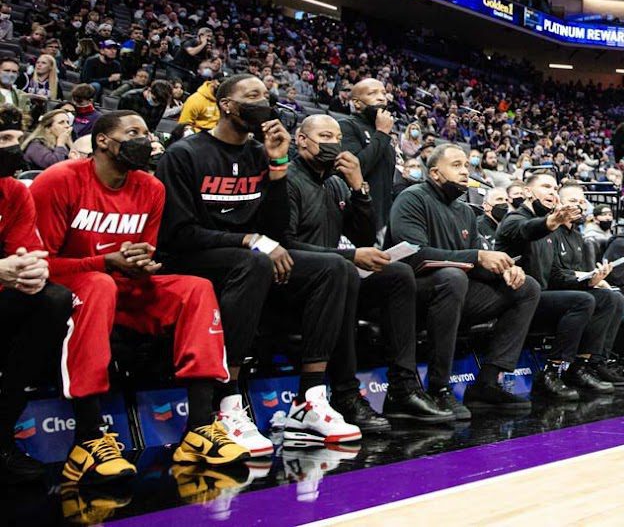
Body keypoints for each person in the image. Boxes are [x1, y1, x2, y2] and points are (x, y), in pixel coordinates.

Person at [30, 111, 250, 482]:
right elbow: (39, 265)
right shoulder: (58, 181)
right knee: (99, 285)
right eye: (133, 132)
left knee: (196, 288)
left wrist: (143, 264)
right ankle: (87, 439)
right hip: (68, 288)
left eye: (147, 133)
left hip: (122, 285)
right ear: (102, 140)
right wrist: (103, 262)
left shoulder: (151, 188)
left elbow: (142, 251)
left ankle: (199, 427)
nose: (144, 140)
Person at [156, 73, 362, 453]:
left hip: (249, 256)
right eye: (252, 95)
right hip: (191, 258)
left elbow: (274, 228)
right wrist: (248, 240)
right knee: (252, 263)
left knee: (336, 269)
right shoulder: (184, 154)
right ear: (226, 105)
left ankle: (309, 399)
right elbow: (177, 233)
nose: (262, 102)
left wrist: (279, 165)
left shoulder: (258, 154)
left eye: (265, 95)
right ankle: (227, 402)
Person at [280, 115, 453, 428]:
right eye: (323, 135)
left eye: (336, 137)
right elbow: (285, 243)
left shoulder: (335, 184)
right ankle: (345, 393)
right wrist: (350, 256)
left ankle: (403, 385)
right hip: (293, 281)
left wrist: (359, 188)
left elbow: (362, 236)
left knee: (398, 275)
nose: (333, 143)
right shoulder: (288, 179)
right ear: (301, 139)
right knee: (342, 270)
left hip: (337, 277)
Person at [388, 144, 538, 417]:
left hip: (455, 292)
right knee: (452, 277)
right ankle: (439, 388)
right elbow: (413, 255)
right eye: (456, 165)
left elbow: (478, 263)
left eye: (466, 166)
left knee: (526, 286)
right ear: (434, 172)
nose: (464, 171)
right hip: (412, 293)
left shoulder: (466, 211)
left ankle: (487, 383)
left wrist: (502, 270)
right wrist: (477, 256)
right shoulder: (412, 198)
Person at [497, 174, 624, 399]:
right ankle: (551, 372)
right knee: (583, 300)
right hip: (515, 298)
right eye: (546, 186)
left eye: (554, 188)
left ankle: (583, 365)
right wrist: (552, 222)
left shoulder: (550, 231)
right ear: (528, 192)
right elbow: (527, 229)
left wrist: (590, 280)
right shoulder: (515, 219)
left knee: (610, 298)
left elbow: (556, 274)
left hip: (543, 295)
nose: (552, 192)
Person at [0, 121, 74, 484]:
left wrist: (32, 271)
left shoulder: (12, 191)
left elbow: (24, 252)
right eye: (3, 140)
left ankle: (2, 433)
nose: (13, 148)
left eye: (16, 139)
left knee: (53, 299)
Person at [337, 78, 401, 237]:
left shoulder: (384, 135)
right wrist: (381, 134)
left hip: (383, 220)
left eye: (384, 93)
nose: (381, 97)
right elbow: (356, 169)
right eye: (373, 93)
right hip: (356, 217)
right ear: (357, 102)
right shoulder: (346, 126)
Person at [0, 57, 32, 129]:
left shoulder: (22, 96)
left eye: (14, 72)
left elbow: (27, 119)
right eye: (7, 71)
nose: (11, 74)